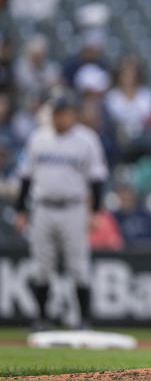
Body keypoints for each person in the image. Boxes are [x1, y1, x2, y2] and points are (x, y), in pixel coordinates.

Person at [14, 94, 108, 331]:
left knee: (78, 265)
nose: (60, 117)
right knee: (41, 266)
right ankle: (41, 318)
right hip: (43, 207)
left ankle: (84, 320)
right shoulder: (38, 138)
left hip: (73, 208)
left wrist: (95, 211)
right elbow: (26, 177)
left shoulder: (87, 140)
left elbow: (97, 180)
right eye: (56, 112)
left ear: (73, 114)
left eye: (64, 112)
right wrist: (20, 210)